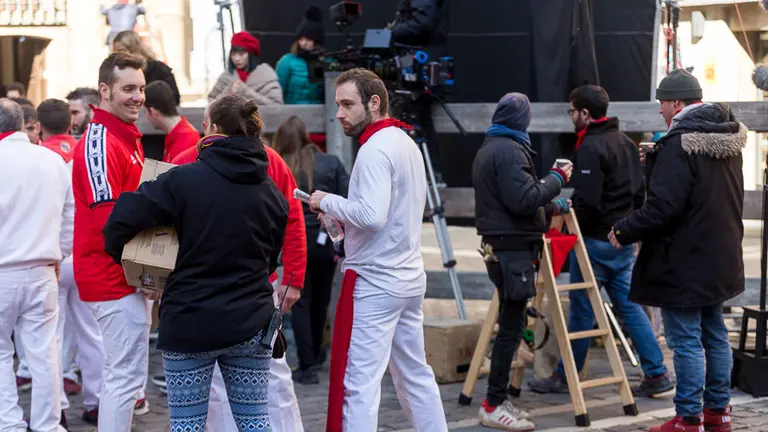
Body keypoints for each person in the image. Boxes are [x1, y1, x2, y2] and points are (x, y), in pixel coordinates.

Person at [103, 93, 288, 431]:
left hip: (190, 321)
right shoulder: (272, 193)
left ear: (213, 128)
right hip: (251, 319)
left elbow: (120, 219)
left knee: (187, 425)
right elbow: (271, 260)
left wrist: (136, 268)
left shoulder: (183, 180)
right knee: (255, 420)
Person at [309, 68, 447, 432]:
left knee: (359, 387)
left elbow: (371, 216)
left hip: (376, 283)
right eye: (339, 104)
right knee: (415, 376)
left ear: (374, 103)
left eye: (347, 104)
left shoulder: (375, 149)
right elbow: (386, 217)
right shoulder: (405, 143)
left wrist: (328, 201)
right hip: (405, 278)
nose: (339, 113)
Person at [609, 69, 745, 432]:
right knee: (714, 332)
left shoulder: (678, 145)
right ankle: (719, 412)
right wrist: (656, 157)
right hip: (720, 253)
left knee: (685, 339)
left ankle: (688, 417)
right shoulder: (725, 139)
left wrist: (624, 229)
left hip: (684, 258)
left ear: (677, 103)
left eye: (662, 103)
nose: (660, 111)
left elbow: (664, 207)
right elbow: (700, 189)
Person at [528, 85, 673, 397]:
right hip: (622, 239)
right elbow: (639, 194)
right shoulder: (625, 142)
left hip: (596, 242)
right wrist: (629, 232)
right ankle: (658, 372)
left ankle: (566, 378)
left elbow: (590, 201)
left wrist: (571, 214)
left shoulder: (591, 147)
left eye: (572, 111)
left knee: (582, 310)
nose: (570, 117)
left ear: (585, 113)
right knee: (630, 308)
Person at [170, 108, 308, 432]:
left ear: (211, 126)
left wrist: (293, 280)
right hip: (237, 289)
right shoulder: (186, 160)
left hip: (241, 289)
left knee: (269, 380)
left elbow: (293, 220)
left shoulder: (269, 160)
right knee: (236, 388)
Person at [471, 92, 572, 431]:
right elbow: (523, 199)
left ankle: (497, 399)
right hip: (511, 250)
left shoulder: (492, 147)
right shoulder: (510, 151)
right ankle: (492, 404)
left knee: (511, 326)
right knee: (510, 330)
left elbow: (512, 202)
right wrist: (557, 179)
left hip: (503, 246)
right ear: (522, 121)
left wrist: (552, 207)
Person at [71, 52, 151, 430]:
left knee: (126, 379)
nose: (137, 97)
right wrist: (146, 275)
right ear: (105, 90)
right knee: (124, 380)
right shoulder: (101, 140)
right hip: (112, 279)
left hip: (122, 278)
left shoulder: (121, 136)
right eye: (128, 89)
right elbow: (110, 225)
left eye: (141, 89)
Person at [0, 98, 72, 432]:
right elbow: (69, 218)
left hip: (5, 270)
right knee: (44, 352)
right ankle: (47, 424)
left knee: (3, 354)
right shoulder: (51, 160)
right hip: (43, 267)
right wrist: (60, 253)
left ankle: (10, 424)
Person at [37, 98, 107, 425]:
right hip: (83, 254)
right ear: (71, 123)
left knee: (52, 337)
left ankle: (58, 409)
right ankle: (96, 402)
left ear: (38, 126)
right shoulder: (84, 152)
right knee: (91, 333)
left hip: (49, 256)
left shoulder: (38, 158)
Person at [273, 115, 349, 385]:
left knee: (302, 304)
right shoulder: (330, 163)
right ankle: (316, 352)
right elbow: (346, 198)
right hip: (327, 242)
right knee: (321, 300)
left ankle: (306, 365)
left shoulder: (280, 166)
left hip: (295, 243)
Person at [208, 32, 284, 105]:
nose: (237, 58)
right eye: (233, 54)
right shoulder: (226, 77)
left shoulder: (267, 76)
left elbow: (276, 105)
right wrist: (227, 92)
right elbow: (211, 103)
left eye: (241, 54)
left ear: (251, 55)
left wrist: (245, 92)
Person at [113, 30, 181, 105]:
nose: (117, 56)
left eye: (121, 51)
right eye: (115, 52)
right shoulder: (116, 73)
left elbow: (174, 99)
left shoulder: (159, 69)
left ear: (134, 49)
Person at [276, 6, 325, 105]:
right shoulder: (287, 61)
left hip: (320, 114)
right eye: (301, 39)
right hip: (293, 114)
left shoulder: (325, 61)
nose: (304, 43)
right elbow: (278, 92)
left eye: (308, 39)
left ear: (317, 41)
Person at [143, 81, 199, 162]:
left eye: (146, 112)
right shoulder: (176, 135)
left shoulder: (186, 139)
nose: (146, 117)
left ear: (154, 112)